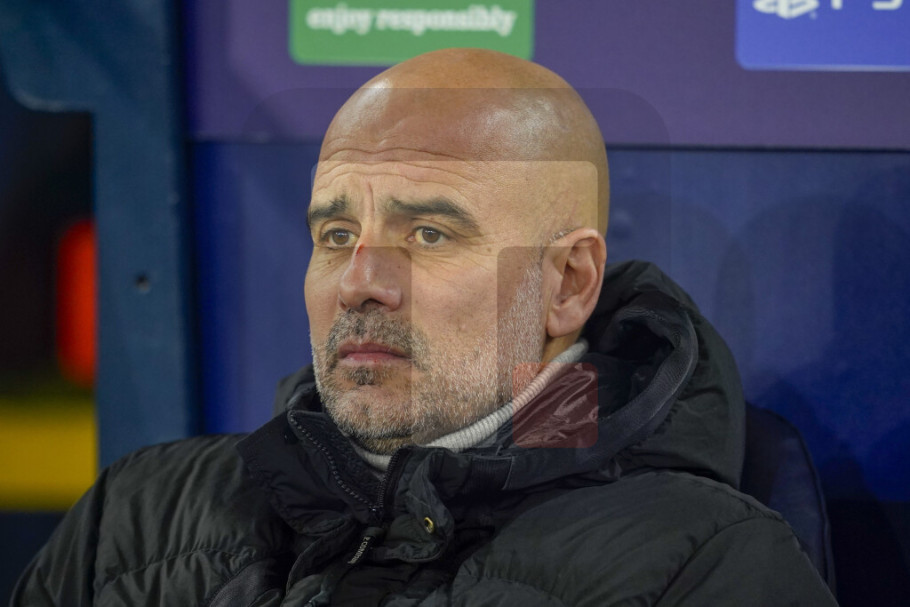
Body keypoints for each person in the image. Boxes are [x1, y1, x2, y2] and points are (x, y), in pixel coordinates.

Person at [11, 48, 837, 606]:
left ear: (567, 284)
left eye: (430, 234)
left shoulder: (705, 565)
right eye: (337, 234)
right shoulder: (134, 518)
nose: (360, 282)